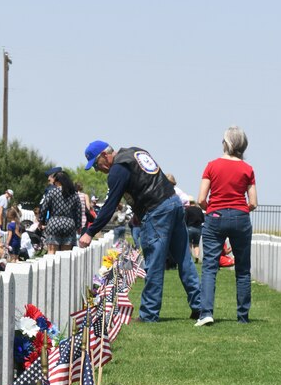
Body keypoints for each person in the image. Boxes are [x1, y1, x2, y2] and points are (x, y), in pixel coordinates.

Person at [79, 140, 201, 322]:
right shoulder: (135, 152)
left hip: (157, 210)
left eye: (96, 165)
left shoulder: (117, 169)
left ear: (105, 155)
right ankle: (200, 306)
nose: (98, 170)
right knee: (184, 259)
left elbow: (111, 204)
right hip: (174, 203)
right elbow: (146, 181)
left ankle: (149, 314)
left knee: (154, 262)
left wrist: (91, 231)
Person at [195, 126, 257, 326]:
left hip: (215, 215)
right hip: (240, 216)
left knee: (210, 267)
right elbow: (254, 202)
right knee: (243, 268)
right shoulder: (248, 169)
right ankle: (242, 316)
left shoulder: (212, 166)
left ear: (226, 143)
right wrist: (240, 210)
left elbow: (201, 199)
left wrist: (211, 208)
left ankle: (206, 313)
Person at [43, 170, 82, 255]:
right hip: (69, 224)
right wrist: (78, 226)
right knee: (66, 254)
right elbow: (78, 211)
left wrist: (41, 221)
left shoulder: (52, 192)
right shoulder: (74, 194)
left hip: (54, 222)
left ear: (58, 181)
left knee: (51, 252)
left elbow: (44, 208)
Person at [185, 198, 204, 262]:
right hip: (198, 229)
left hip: (190, 228)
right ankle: (197, 256)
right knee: (196, 244)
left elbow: (185, 220)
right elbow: (203, 220)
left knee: (189, 244)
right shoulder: (199, 210)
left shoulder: (187, 209)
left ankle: (190, 257)